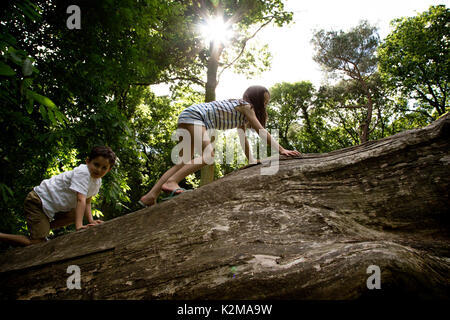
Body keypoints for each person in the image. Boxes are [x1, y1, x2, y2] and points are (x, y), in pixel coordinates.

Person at [139, 85, 300, 207]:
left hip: (188, 115)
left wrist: (251, 160)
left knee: (182, 162)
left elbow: (243, 138)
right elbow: (261, 131)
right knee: (209, 155)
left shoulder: (241, 114)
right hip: (196, 116)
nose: (265, 105)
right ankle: (171, 182)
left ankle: (151, 196)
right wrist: (282, 150)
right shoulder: (247, 107)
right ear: (255, 100)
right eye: (264, 102)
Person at [0, 146, 116, 246]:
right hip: (39, 201)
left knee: (74, 214)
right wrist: (79, 226)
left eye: (104, 168)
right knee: (37, 242)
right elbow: (80, 199)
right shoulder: (83, 172)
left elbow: (87, 201)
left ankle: (41, 229)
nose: (99, 170)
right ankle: (5, 236)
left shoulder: (97, 181)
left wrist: (91, 220)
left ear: (109, 170)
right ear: (87, 161)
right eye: (96, 164)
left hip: (50, 206)